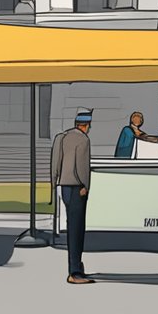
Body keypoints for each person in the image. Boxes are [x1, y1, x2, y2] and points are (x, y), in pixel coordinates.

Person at [50, 109, 94, 284]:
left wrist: (54, 183)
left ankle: (76, 267)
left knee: (71, 227)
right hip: (77, 187)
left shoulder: (61, 137)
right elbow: (82, 166)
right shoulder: (83, 140)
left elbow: (55, 164)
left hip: (64, 186)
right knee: (77, 230)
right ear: (86, 125)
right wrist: (86, 185)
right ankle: (75, 272)